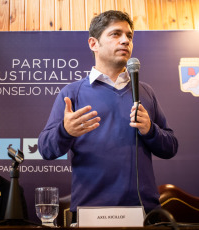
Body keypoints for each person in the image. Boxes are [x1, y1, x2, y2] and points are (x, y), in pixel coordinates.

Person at [38, 10, 178, 221]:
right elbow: (45, 149)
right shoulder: (71, 93)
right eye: (115, 34)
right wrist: (65, 131)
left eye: (129, 36)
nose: (125, 41)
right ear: (93, 44)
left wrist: (151, 131)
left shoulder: (146, 92)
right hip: (91, 213)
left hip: (145, 213)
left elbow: (171, 147)